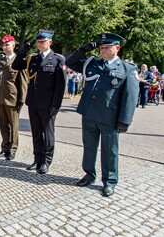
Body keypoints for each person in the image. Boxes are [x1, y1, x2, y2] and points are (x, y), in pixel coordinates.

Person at [65, 33, 139, 197]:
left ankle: (110, 181)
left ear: (117, 48)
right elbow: (69, 62)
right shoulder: (93, 63)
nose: (103, 50)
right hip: (89, 114)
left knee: (110, 151)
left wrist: (125, 120)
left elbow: (131, 97)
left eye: (107, 48)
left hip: (110, 118)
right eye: (101, 48)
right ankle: (89, 174)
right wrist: (83, 49)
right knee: (89, 147)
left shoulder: (127, 69)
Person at [11, 30, 66, 174]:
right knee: (36, 132)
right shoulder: (33, 58)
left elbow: (60, 86)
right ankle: (37, 159)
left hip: (48, 104)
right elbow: (15, 66)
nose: (40, 44)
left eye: (43, 41)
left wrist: (56, 104)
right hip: (33, 102)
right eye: (39, 42)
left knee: (48, 134)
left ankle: (46, 161)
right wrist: (23, 51)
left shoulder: (57, 59)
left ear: (50, 42)